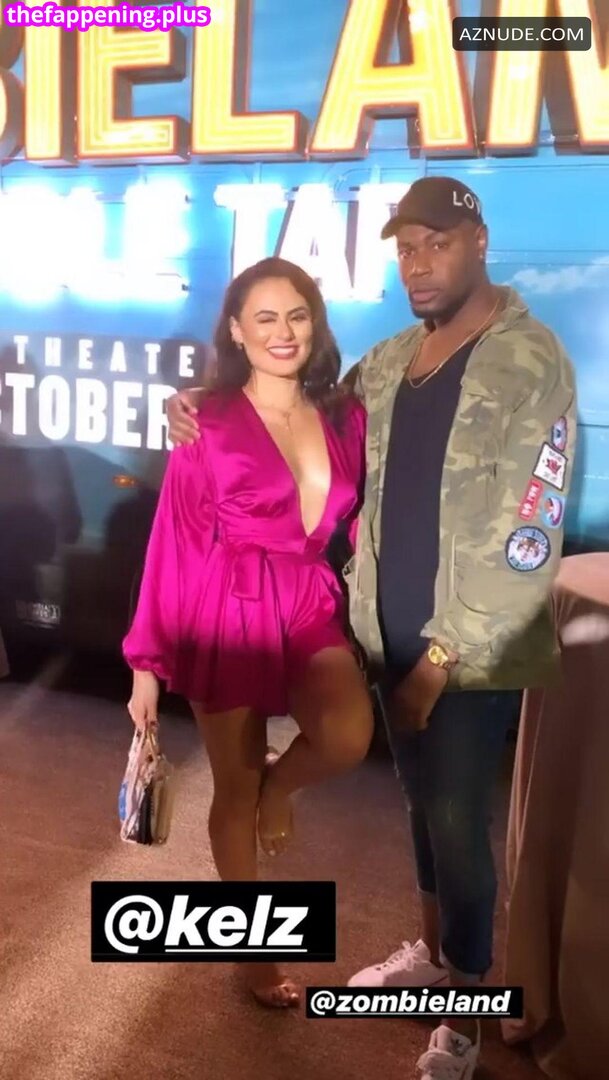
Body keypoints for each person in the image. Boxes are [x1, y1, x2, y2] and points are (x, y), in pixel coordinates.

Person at [165, 177, 576, 1078]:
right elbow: (284, 407)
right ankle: (433, 956)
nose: (418, 264)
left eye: (438, 243)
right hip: (385, 636)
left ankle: (463, 1015)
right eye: (405, 248)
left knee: (458, 822)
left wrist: (440, 658)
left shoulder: (530, 358)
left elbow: (529, 530)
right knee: (422, 809)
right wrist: (197, 401)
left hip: (468, 650)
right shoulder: (390, 362)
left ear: (478, 242)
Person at [123, 256, 373, 1011]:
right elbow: (172, 537)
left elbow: (361, 513)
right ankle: (254, 956)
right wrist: (144, 665)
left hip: (307, 595)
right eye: (264, 317)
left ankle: (279, 787)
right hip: (224, 604)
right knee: (231, 790)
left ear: (315, 324)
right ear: (236, 330)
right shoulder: (205, 419)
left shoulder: (344, 415)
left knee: (347, 735)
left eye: (296, 314)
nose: (282, 331)